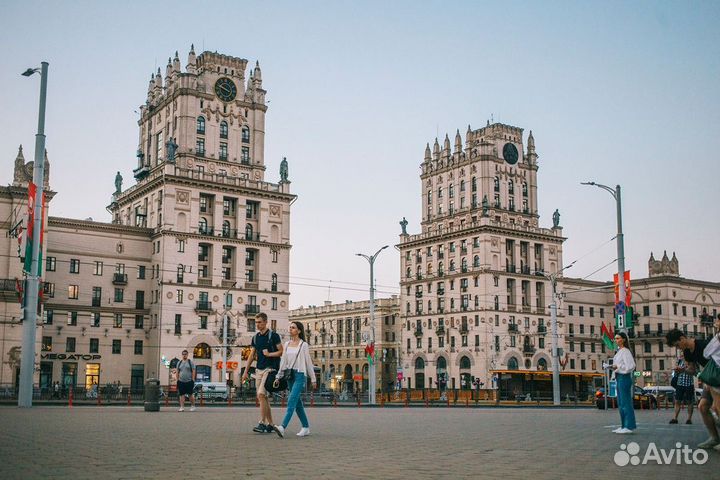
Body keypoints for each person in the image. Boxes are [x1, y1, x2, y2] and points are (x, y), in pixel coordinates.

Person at [666, 327, 718, 449]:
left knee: (717, 408)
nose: (679, 348)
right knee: (702, 406)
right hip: (709, 379)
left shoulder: (703, 344)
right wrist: (683, 370)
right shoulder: (687, 352)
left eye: (678, 345)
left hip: (716, 378)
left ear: (682, 338)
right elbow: (692, 370)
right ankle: (714, 438)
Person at [271, 321, 316, 438]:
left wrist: (313, 379)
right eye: (290, 327)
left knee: (291, 400)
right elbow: (283, 362)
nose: (290, 329)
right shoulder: (286, 344)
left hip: (300, 375)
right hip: (289, 375)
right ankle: (306, 427)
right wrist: (278, 376)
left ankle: (282, 427)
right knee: (297, 403)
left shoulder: (303, 345)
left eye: (293, 328)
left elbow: (308, 363)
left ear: (299, 331)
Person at [241, 312, 283, 433]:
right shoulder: (255, 337)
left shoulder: (274, 336)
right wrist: (246, 372)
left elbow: (281, 351)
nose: (257, 324)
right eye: (256, 322)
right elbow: (251, 355)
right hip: (259, 369)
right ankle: (271, 424)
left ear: (265, 322)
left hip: (270, 369)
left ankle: (262, 423)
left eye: (259, 322)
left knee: (260, 394)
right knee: (262, 397)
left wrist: (269, 354)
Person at [611, 331, 636, 434]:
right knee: (621, 403)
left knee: (625, 402)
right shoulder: (619, 351)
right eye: (615, 339)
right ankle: (623, 425)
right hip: (619, 377)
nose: (616, 340)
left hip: (624, 377)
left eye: (618, 338)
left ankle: (628, 426)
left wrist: (618, 367)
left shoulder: (625, 351)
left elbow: (631, 366)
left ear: (624, 339)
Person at [669, 352, 694, 424]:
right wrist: (676, 370)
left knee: (689, 401)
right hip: (679, 384)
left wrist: (684, 370)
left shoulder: (691, 362)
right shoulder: (679, 361)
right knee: (677, 401)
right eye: (681, 355)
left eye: (683, 355)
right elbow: (677, 372)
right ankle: (675, 418)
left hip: (689, 384)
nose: (681, 356)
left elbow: (693, 372)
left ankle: (689, 419)